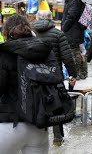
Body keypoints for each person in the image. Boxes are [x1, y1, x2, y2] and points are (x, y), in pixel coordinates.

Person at [0, 14, 51, 154]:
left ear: (6, 31)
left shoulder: (3, 54)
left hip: (8, 124)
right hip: (38, 125)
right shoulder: (43, 52)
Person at [32, 10, 77, 146]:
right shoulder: (58, 34)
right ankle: (57, 139)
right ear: (51, 19)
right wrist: (73, 75)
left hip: (34, 75)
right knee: (57, 105)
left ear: (37, 18)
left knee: (36, 105)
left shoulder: (30, 33)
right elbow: (67, 57)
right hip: (54, 76)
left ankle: (37, 139)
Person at [61, 0, 85, 80]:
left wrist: (63, 28)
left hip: (72, 32)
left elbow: (71, 16)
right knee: (73, 53)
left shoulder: (74, 0)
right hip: (73, 32)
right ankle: (75, 75)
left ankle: (75, 76)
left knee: (73, 53)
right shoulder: (73, 0)